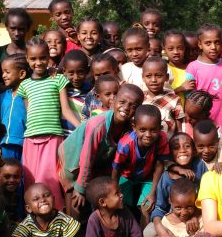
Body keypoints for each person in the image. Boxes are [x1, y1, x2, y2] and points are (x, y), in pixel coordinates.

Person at [59, 83, 144, 220]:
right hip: (73, 159)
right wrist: (80, 188)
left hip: (98, 162)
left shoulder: (129, 128)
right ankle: (72, 230)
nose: (126, 108)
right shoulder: (98, 124)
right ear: (114, 100)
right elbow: (86, 157)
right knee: (76, 196)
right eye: (122, 102)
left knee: (98, 194)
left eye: (133, 106)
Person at [18, 37, 81, 211]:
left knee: (50, 181)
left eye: (42, 58)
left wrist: (82, 128)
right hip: (30, 140)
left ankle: (56, 219)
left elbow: (65, 110)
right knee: (31, 182)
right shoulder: (24, 85)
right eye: (33, 58)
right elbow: (29, 113)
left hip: (52, 138)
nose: (38, 62)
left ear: (48, 57)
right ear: (27, 59)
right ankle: (34, 220)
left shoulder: (58, 79)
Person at [111, 104, 169, 223]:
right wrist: (115, 190)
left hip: (148, 177)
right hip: (126, 176)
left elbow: (159, 165)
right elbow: (116, 169)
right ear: (134, 127)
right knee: (121, 205)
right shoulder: (126, 144)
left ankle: (144, 233)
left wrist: (153, 192)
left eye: (153, 130)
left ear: (160, 128)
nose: (148, 135)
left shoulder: (161, 139)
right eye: (142, 130)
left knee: (147, 207)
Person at [146, 132, 207, 237]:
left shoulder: (200, 166)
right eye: (176, 148)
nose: (182, 150)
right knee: (149, 233)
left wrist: (195, 216)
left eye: (187, 146)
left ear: (194, 150)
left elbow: (208, 197)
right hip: (174, 222)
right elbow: (160, 207)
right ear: (170, 154)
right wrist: (158, 225)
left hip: (197, 216)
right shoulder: (166, 177)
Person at [185, 24, 222, 129]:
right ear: (200, 44)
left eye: (217, 42)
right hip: (200, 122)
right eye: (208, 43)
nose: (213, 47)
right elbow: (190, 99)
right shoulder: (193, 67)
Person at [142, 57, 184, 139]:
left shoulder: (174, 99)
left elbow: (179, 129)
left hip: (167, 144)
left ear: (167, 77)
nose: (153, 80)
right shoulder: (140, 97)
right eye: (148, 76)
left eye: (158, 75)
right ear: (143, 77)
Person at [0, 54, 29, 161]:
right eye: (2, 72)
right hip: (5, 144)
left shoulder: (30, 94)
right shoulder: (2, 96)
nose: (3, 75)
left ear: (22, 74)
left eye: (7, 72)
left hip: (25, 144)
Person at [82, 53, 121, 119]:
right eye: (97, 75)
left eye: (106, 74)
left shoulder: (123, 92)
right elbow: (85, 118)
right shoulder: (91, 96)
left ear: (116, 71)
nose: (102, 78)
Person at [60, 49, 91, 133]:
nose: (76, 77)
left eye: (80, 73)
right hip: (64, 136)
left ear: (87, 71)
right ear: (64, 71)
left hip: (83, 135)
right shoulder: (61, 90)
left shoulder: (91, 92)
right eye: (71, 73)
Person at [163, 30, 191, 105]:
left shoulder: (191, 69)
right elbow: (159, 95)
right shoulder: (163, 70)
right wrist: (180, 89)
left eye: (180, 48)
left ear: (185, 48)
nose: (176, 52)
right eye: (170, 49)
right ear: (164, 49)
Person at [121, 26, 152, 90]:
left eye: (139, 49)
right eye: (130, 50)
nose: (134, 54)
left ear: (148, 47)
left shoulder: (158, 67)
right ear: (125, 51)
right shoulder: (124, 70)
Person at [0, 158, 25, 223]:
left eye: (16, 177)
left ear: (21, 177)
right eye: (7, 177)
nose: (12, 180)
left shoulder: (17, 195)